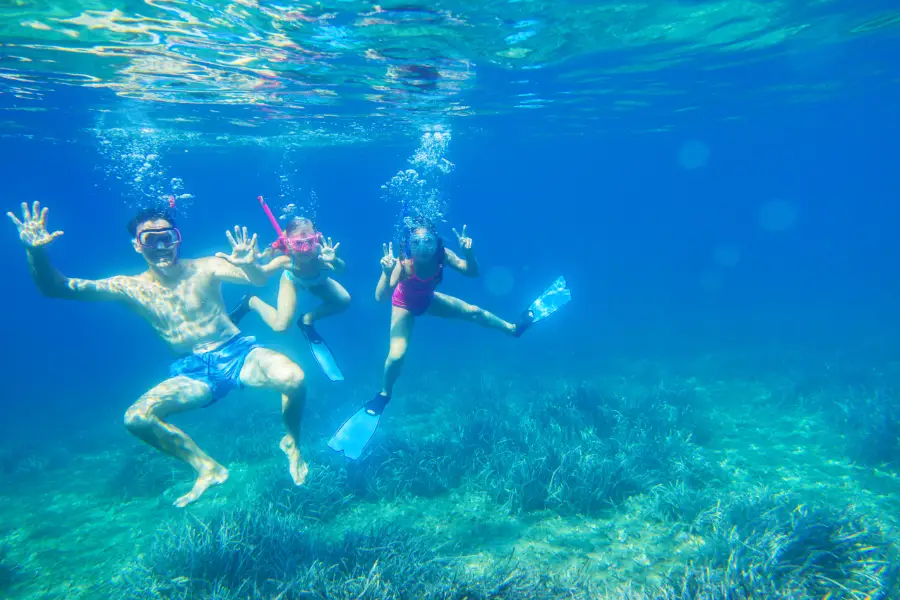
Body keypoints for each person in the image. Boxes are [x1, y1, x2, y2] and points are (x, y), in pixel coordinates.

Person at [7, 201, 310, 507]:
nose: (162, 246)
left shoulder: (205, 266)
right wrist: (36, 252)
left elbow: (258, 280)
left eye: (168, 237)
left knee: (294, 378)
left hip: (238, 352)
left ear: (178, 238)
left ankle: (292, 441)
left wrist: (248, 265)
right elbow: (58, 288)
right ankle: (207, 468)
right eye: (150, 240)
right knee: (137, 418)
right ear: (137, 246)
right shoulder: (129, 287)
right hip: (194, 370)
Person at [327, 221, 571, 459]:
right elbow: (381, 297)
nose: (423, 247)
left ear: (436, 243)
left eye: (428, 241)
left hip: (429, 300)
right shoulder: (404, 265)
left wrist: (469, 252)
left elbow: (472, 272)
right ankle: (383, 396)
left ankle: (513, 329)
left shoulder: (443, 256)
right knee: (397, 356)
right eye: (417, 242)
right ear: (409, 245)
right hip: (404, 305)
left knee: (475, 312)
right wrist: (386, 271)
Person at [229, 213, 349, 381]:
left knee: (344, 301)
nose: (305, 249)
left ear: (316, 240)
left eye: (309, 242)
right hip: (292, 281)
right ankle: (251, 301)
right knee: (280, 327)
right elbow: (262, 274)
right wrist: (249, 265)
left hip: (318, 282)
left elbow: (341, 270)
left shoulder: (322, 256)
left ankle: (307, 319)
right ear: (288, 244)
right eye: (298, 244)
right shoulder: (286, 261)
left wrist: (335, 261)